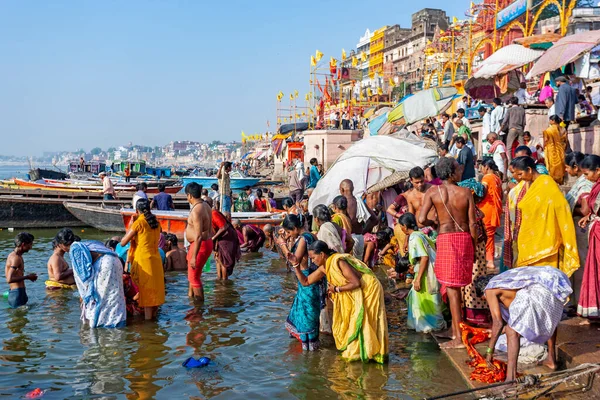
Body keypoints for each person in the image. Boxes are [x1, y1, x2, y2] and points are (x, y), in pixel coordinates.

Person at [287, 240, 388, 363]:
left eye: (313, 258)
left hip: (369, 288)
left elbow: (356, 283)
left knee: (364, 320)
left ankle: (367, 352)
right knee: (356, 321)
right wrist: (296, 265)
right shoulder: (324, 267)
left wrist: (335, 289)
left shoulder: (338, 261)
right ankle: (361, 352)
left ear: (322, 254)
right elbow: (306, 282)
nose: (312, 261)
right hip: (356, 289)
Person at [419, 157, 477, 349]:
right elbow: (472, 224)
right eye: (458, 168)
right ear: (452, 173)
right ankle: (456, 331)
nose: (461, 170)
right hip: (464, 239)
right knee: (456, 288)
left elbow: (421, 219)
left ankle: (458, 337)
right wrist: (475, 247)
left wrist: (434, 223)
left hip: (445, 238)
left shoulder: (432, 192)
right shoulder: (466, 192)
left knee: (452, 289)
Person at [482, 267, 572, 381]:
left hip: (542, 287)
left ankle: (510, 379)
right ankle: (551, 359)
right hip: (555, 281)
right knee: (548, 319)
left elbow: (498, 323)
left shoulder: (489, 290)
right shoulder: (505, 283)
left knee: (512, 331)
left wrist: (490, 351)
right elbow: (515, 318)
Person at [510, 156, 579, 277]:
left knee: (545, 281)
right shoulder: (531, 185)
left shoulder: (547, 184)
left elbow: (562, 208)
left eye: (520, 174)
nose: (519, 178)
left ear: (529, 170)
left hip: (546, 245)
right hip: (529, 242)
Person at [275, 215, 323, 351]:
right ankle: (312, 352)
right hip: (312, 279)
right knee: (310, 316)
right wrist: (288, 240)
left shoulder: (304, 239)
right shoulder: (312, 236)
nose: (289, 235)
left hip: (307, 281)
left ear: (295, 228)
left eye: (289, 232)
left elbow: (294, 260)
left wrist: (282, 244)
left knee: (306, 318)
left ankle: (309, 352)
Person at [399, 213, 446, 333]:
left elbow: (424, 257)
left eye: (401, 226)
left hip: (425, 273)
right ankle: (427, 325)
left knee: (428, 299)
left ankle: (432, 326)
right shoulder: (419, 234)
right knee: (420, 298)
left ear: (404, 226)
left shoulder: (415, 237)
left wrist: (418, 278)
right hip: (429, 270)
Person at [120, 199, 165, 320]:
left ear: (136, 210)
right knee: (153, 290)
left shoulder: (139, 223)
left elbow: (123, 242)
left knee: (146, 292)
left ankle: (148, 325)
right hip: (155, 260)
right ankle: (153, 321)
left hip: (144, 261)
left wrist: (130, 226)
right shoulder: (155, 221)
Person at [69, 240, 127, 327]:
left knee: (101, 298)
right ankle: (118, 322)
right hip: (115, 260)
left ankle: (104, 324)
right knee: (114, 295)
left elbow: (84, 277)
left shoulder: (75, 250)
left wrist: (85, 295)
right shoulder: (90, 244)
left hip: (105, 265)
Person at [577, 155, 600, 318]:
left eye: (587, 174)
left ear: (598, 170)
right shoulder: (595, 186)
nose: (585, 178)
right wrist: (590, 216)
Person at [183, 182, 213, 300]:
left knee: (194, 278)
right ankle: (191, 300)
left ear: (189, 195)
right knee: (193, 275)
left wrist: (194, 256)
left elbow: (199, 235)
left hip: (199, 245)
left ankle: (198, 309)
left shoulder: (197, 210)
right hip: (204, 243)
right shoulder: (206, 206)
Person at [478, 159, 503, 270]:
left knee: (483, 235)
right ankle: (490, 260)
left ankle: (485, 260)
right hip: (495, 210)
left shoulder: (487, 178)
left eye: (482, 167)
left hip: (486, 210)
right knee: (490, 236)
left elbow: (482, 192)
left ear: (486, 167)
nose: (481, 170)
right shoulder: (498, 179)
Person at [4, 232, 37, 308]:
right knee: (18, 319)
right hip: (16, 294)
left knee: (21, 319)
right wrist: (28, 277)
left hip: (18, 293)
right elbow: (9, 279)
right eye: (30, 244)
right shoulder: (16, 258)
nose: (31, 247)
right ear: (23, 244)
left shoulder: (15, 255)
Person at [211, 202, 241, 279]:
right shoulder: (207, 215)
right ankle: (219, 279)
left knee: (224, 261)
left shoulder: (213, 213)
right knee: (218, 258)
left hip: (227, 238)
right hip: (220, 238)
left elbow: (224, 227)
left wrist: (213, 238)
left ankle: (225, 282)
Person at [542, 115, 568, 185]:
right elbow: (566, 141)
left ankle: (552, 182)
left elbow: (545, 141)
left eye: (550, 120)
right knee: (560, 165)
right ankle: (561, 181)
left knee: (552, 166)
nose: (549, 121)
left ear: (553, 121)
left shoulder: (548, 130)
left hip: (551, 151)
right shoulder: (563, 129)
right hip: (561, 150)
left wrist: (543, 148)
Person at [501, 97, 526, 161]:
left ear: (511, 103)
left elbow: (504, 121)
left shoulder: (510, 110)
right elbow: (524, 122)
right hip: (520, 129)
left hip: (512, 129)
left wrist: (500, 129)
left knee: (509, 147)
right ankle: (524, 159)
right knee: (523, 146)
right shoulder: (522, 110)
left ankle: (510, 162)